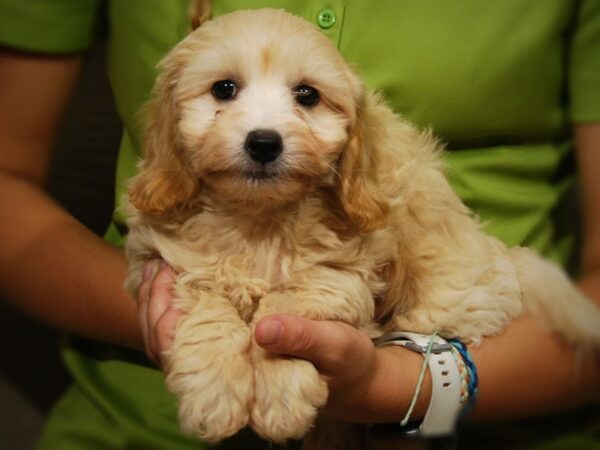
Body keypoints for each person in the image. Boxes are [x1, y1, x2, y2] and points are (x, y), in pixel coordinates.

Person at [0, 1, 598, 449]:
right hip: (133, 429)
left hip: (497, 409)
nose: (264, 130)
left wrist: (403, 383)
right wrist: (179, 320)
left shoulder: (364, 202)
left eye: (307, 96)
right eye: (225, 90)